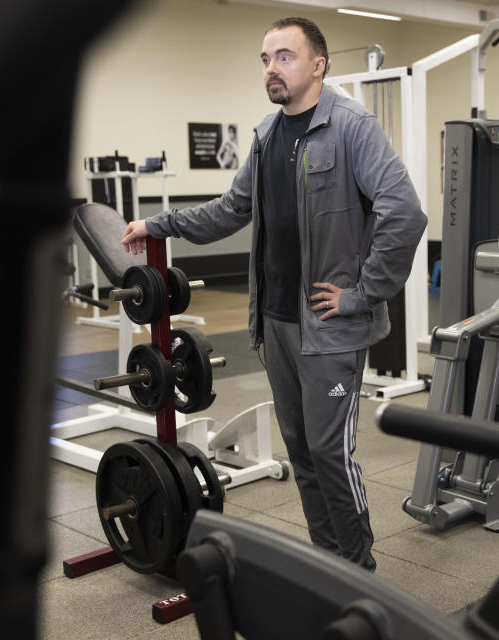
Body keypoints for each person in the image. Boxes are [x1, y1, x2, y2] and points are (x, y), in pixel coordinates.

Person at [121, 17, 425, 572]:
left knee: (331, 456)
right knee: (303, 455)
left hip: (331, 326)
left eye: (284, 57)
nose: (271, 68)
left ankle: (359, 572)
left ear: (317, 66)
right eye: (265, 59)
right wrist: (159, 225)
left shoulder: (353, 127)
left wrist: (362, 295)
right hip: (277, 321)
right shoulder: (265, 135)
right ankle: (327, 565)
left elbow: (404, 214)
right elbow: (231, 210)